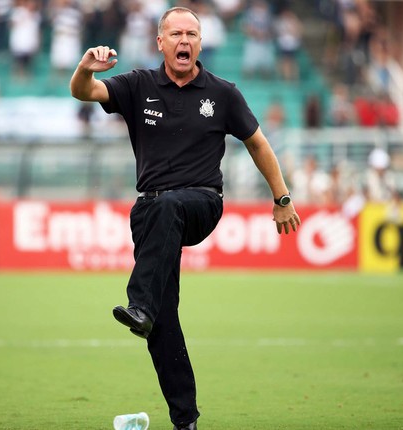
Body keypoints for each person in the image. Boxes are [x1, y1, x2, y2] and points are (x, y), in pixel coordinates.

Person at [69, 7, 300, 430]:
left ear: (200, 42)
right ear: (160, 42)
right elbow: (84, 92)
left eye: (192, 34)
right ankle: (185, 419)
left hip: (200, 203)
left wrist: (281, 197)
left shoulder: (223, 93)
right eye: (175, 33)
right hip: (151, 212)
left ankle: (139, 303)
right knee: (163, 320)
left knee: (168, 212)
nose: (184, 41)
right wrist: (85, 67)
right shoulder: (138, 85)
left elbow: (259, 144)